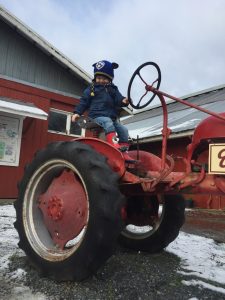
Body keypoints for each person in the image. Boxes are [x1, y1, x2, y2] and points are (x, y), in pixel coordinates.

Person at [71, 60, 134, 162]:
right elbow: (83, 102)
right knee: (107, 122)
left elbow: (119, 99)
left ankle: (124, 153)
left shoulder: (113, 89)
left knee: (123, 129)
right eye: (99, 78)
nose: (101, 80)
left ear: (110, 79)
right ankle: (114, 145)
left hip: (111, 118)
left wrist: (124, 101)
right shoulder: (91, 89)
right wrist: (77, 112)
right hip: (96, 116)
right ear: (95, 78)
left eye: (104, 78)